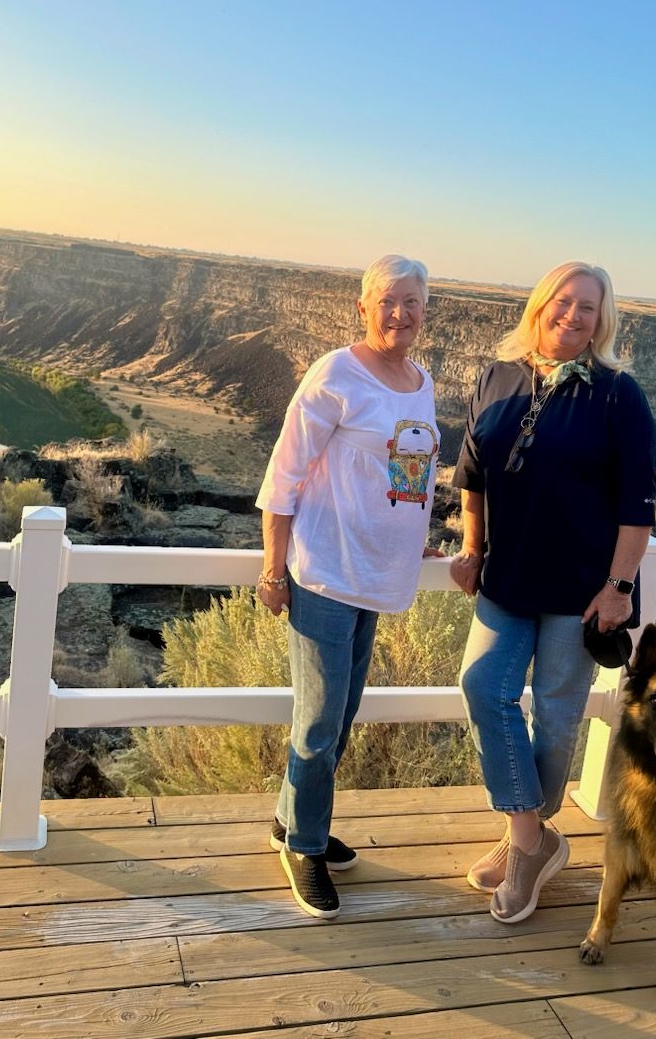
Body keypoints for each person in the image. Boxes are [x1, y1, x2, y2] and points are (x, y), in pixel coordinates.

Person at [451, 260, 656, 924]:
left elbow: (637, 506)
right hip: (505, 580)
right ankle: (532, 841)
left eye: (588, 309)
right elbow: (472, 477)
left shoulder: (618, 395)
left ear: (604, 320)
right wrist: (472, 548)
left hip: (581, 593)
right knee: (484, 687)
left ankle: (524, 844)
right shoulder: (497, 376)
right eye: (562, 303)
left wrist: (620, 587)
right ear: (540, 305)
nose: (572, 317)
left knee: (558, 719)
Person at [256, 254, 440, 919]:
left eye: (412, 302)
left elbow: (408, 469)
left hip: (379, 574)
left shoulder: (421, 381)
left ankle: (289, 818)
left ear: (426, 309)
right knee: (319, 718)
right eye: (387, 301)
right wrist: (273, 568)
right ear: (363, 308)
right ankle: (302, 846)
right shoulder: (336, 372)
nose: (400, 313)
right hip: (327, 571)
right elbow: (284, 474)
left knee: (344, 712)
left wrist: (417, 530)